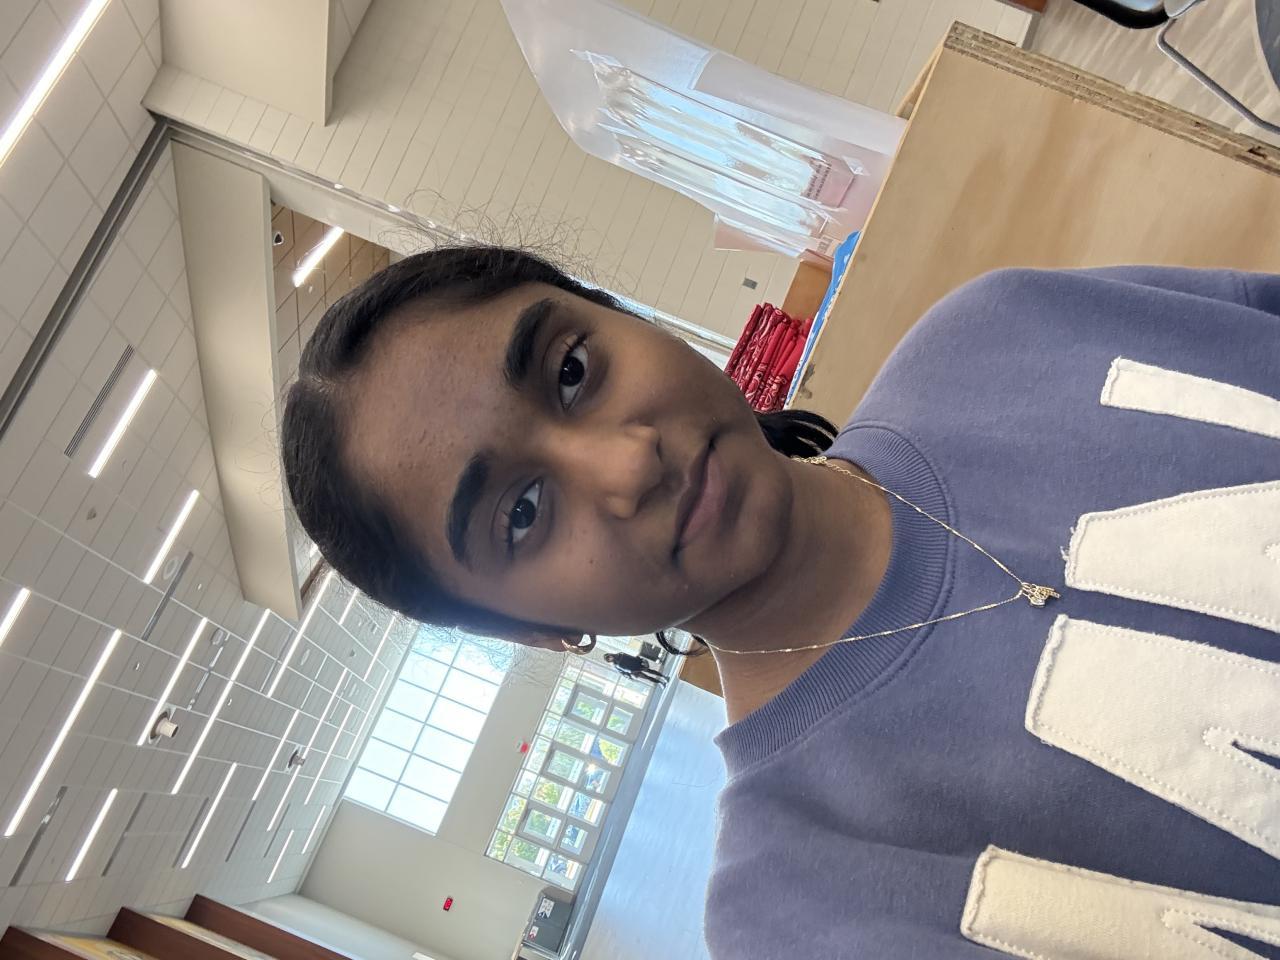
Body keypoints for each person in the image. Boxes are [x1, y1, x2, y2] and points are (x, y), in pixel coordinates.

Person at [281, 246, 1279, 959]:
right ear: (534, 632)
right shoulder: (801, 909)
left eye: (573, 371)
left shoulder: (999, 331)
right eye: (522, 514)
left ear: (623, 312)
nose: (627, 464)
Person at [603, 651, 668, 685]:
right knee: (647, 677)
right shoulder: (615, 665)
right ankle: (661, 683)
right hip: (633, 672)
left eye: (609, 657)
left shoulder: (620, 654)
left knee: (650, 671)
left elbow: (631, 657)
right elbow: (622, 672)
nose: (610, 658)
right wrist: (629, 677)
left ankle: (664, 677)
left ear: (610, 654)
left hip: (636, 665)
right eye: (608, 659)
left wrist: (640, 660)